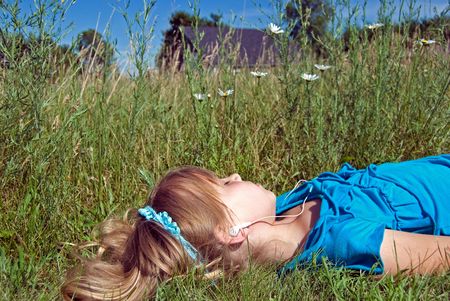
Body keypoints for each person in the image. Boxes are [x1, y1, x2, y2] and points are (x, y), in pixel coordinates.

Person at [62, 154, 450, 300]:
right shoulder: (344, 241)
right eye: (225, 184)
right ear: (234, 231)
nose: (234, 173)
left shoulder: (287, 208)